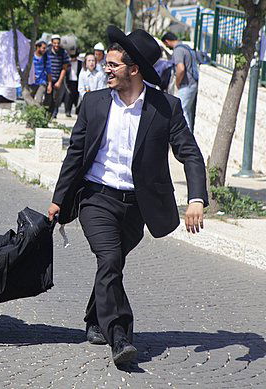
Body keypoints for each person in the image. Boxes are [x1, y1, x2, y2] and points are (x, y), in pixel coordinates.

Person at [48, 26, 207, 368]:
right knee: (108, 259)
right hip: (95, 197)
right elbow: (75, 154)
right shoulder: (93, 103)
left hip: (138, 206)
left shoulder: (166, 108)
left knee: (112, 263)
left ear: (134, 70)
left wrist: (196, 198)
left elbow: (190, 154)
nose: (106, 69)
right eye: (106, 63)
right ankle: (120, 336)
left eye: (114, 65)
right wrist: (59, 200)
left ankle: (94, 318)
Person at [161, 32, 199, 131]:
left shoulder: (178, 50)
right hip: (192, 83)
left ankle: (186, 137)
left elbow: (181, 68)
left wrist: (177, 82)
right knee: (187, 110)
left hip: (186, 84)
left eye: (166, 45)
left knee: (181, 110)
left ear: (167, 41)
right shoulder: (186, 47)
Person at [46, 34, 70, 118]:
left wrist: (59, 81)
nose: (56, 45)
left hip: (57, 77)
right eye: (54, 43)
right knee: (47, 98)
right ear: (52, 43)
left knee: (56, 98)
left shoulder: (63, 52)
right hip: (47, 78)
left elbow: (64, 68)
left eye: (58, 43)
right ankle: (46, 114)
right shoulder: (47, 51)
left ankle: (53, 114)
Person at [63, 50, 82, 117]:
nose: (72, 58)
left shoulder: (80, 63)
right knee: (68, 96)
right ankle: (68, 111)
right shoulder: (67, 63)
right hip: (69, 82)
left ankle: (77, 111)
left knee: (77, 97)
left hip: (77, 81)